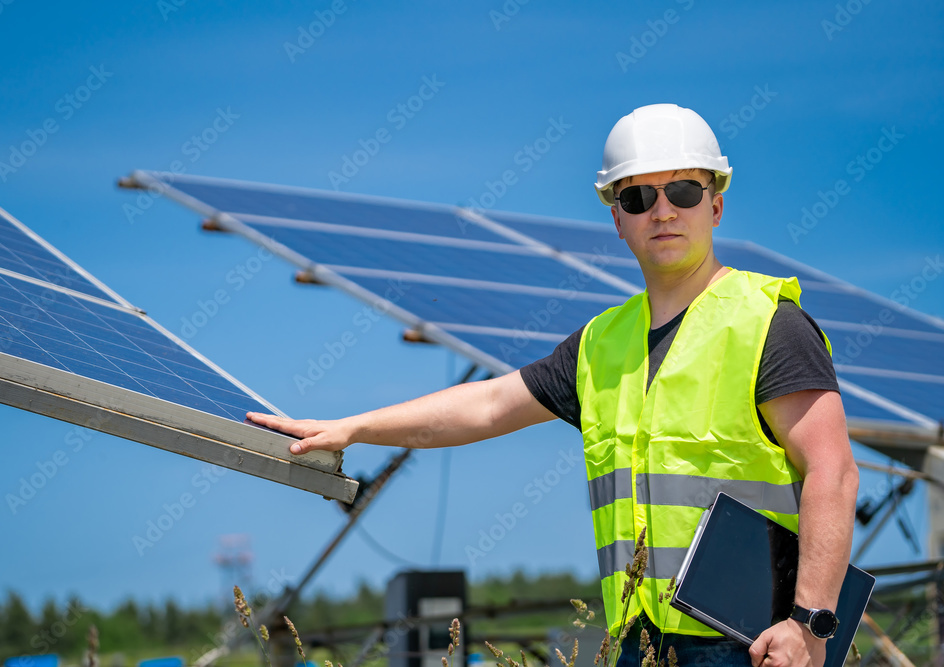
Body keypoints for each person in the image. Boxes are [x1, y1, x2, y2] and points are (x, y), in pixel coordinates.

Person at [248, 104, 858, 667]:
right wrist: (354, 427)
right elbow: (487, 405)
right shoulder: (601, 343)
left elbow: (832, 471)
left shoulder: (768, 323)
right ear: (617, 218)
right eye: (640, 196)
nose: (663, 210)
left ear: (716, 204)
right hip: (639, 644)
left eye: (683, 190)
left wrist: (809, 624)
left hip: (753, 645)